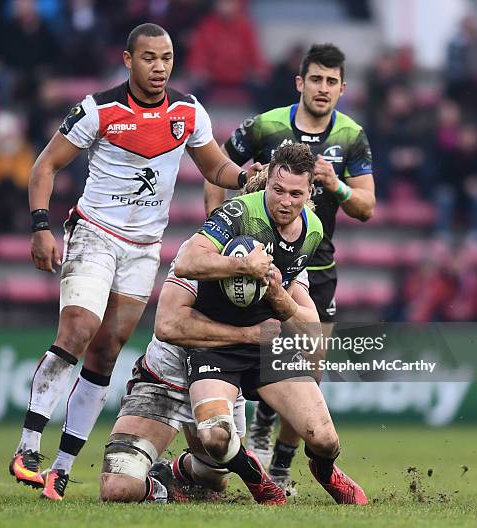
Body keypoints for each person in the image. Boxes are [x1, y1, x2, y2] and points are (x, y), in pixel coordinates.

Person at [8, 22, 261, 501]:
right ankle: (28, 447)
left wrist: (246, 176)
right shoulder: (98, 109)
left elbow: (215, 168)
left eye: (166, 58)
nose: (160, 67)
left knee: (105, 352)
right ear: (128, 60)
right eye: (149, 58)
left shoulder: (187, 112)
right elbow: (45, 166)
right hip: (95, 237)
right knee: (79, 330)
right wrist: (41, 224)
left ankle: (60, 470)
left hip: (144, 249)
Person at [205, 43, 375, 491]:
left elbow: (367, 207)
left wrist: (334, 186)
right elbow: (215, 166)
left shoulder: (352, 136)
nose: (323, 88)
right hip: (262, 264)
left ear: (342, 89)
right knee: (264, 354)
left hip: (317, 267)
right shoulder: (266, 125)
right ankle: (255, 428)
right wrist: (217, 227)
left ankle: (280, 461)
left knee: (312, 372)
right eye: (315, 79)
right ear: (300, 82)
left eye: (331, 82)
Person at [175, 143, 368, 505]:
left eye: (295, 193)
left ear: (310, 192)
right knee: (216, 438)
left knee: (326, 441)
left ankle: (325, 471)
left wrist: (278, 296)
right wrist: (242, 267)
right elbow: (186, 261)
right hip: (216, 342)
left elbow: (307, 323)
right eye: (277, 190)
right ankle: (257, 479)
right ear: (267, 183)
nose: (284, 200)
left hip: (267, 343)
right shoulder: (237, 213)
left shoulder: (313, 230)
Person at [99, 172, 293, 504]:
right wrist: (247, 334)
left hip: (223, 381)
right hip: (166, 381)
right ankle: (164, 490)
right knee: (119, 489)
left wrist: (283, 301)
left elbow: (304, 318)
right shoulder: (202, 256)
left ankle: (177, 470)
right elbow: (169, 326)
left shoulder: (284, 261)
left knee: (211, 485)